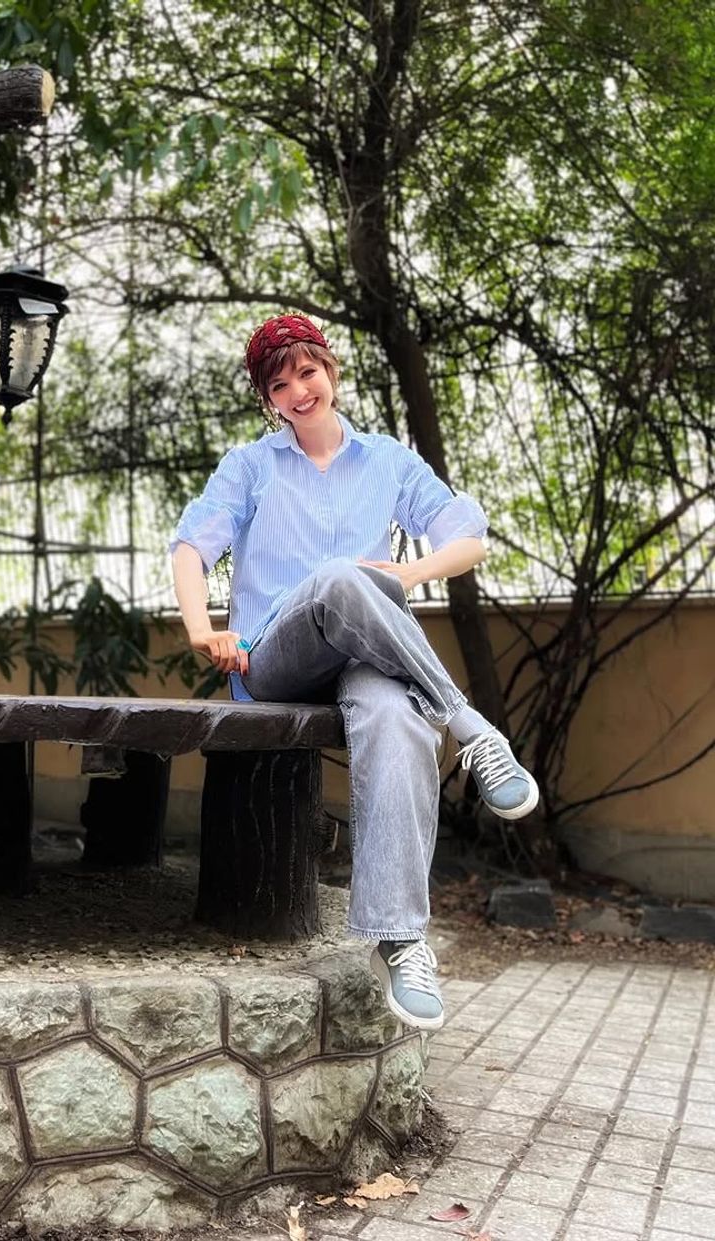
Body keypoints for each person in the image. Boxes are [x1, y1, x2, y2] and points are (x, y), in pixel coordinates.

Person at [169, 314, 537, 1032]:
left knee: (399, 716)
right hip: (275, 657)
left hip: (367, 656)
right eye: (279, 385)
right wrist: (200, 629)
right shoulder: (251, 466)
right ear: (268, 399)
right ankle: (470, 725)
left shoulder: (387, 461)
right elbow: (191, 547)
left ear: (330, 370)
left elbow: (468, 538)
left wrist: (408, 573)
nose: (298, 391)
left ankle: (400, 940)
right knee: (341, 577)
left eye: (307, 372)